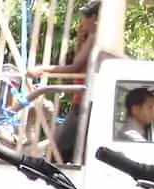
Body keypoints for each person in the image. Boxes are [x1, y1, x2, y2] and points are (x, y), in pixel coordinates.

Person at [27, 0, 101, 162]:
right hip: (84, 103)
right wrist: (81, 38)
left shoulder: (95, 38)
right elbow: (81, 68)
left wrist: (42, 69)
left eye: (85, 17)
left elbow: (74, 68)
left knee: (57, 154)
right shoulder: (96, 39)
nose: (82, 21)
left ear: (94, 17)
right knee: (74, 155)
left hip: (83, 106)